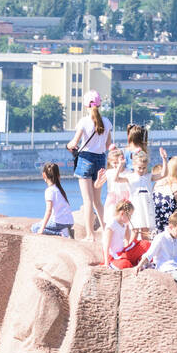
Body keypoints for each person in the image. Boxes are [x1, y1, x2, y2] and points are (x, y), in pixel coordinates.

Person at [65, 90, 113, 241]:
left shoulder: (84, 122)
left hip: (85, 159)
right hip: (101, 160)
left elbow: (74, 143)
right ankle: (106, 231)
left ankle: (90, 234)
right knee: (98, 201)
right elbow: (108, 145)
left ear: (85, 105)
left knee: (87, 201)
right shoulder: (106, 122)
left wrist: (69, 146)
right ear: (99, 104)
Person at [31, 161, 76, 238]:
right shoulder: (59, 190)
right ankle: (64, 231)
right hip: (70, 222)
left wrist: (42, 228)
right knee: (42, 223)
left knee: (34, 228)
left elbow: (48, 211)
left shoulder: (50, 190)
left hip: (60, 223)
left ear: (44, 175)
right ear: (58, 175)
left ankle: (61, 233)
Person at [103, 200, 149, 270]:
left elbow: (126, 240)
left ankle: (138, 261)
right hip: (113, 256)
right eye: (129, 215)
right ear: (122, 213)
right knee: (125, 264)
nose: (130, 218)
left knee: (145, 244)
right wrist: (106, 263)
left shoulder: (124, 223)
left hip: (122, 252)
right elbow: (106, 245)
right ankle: (115, 264)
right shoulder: (112, 224)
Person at [95, 148, 129, 229]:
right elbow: (97, 186)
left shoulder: (128, 172)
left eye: (119, 162)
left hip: (124, 198)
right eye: (115, 163)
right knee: (111, 219)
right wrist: (98, 178)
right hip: (112, 198)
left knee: (126, 221)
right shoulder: (109, 172)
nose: (117, 165)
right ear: (110, 162)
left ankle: (125, 239)